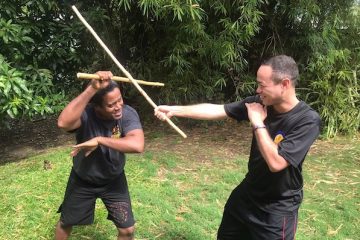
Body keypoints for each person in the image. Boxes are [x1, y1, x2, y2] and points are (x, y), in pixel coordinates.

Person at [154, 55, 321, 240]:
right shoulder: (260, 102)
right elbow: (220, 109)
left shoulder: (307, 120)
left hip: (277, 208)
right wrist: (174, 110)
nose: (258, 90)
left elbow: (276, 162)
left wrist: (257, 122)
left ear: (284, 84)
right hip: (247, 196)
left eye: (262, 85)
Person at [55, 71, 144, 240]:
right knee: (66, 223)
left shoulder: (127, 113)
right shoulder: (86, 114)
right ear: (96, 106)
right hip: (83, 179)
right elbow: (63, 123)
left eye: (120, 100)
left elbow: (137, 145)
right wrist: (91, 89)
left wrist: (99, 140)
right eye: (111, 105)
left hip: (113, 180)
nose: (118, 107)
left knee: (127, 230)